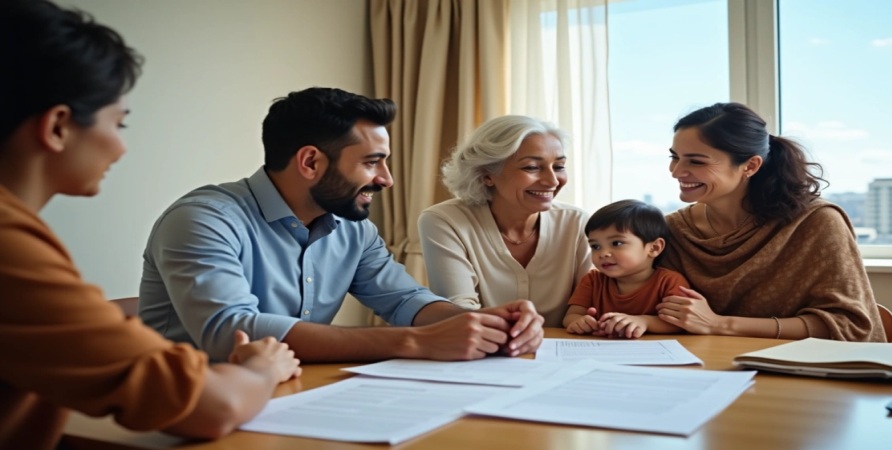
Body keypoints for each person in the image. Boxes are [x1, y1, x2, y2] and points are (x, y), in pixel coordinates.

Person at [0, 1, 302, 448]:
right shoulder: (10, 245)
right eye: (118, 123)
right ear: (59, 126)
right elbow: (211, 407)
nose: (121, 148)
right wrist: (261, 367)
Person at [139, 88, 544, 364]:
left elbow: (405, 301)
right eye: (371, 162)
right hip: (186, 406)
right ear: (311, 162)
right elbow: (230, 331)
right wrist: (414, 342)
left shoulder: (352, 227)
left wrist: (487, 323)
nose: (386, 179)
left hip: (290, 395)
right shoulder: (202, 220)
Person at [655, 102, 884, 342]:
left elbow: (848, 325)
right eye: (675, 157)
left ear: (750, 166)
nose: (676, 171)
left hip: (803, 370)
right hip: (709, 367)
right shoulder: (673, 231)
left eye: (696, 161)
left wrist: (720, 324)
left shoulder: (815, 222)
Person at [418, 115, 592, 325]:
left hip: (566, 354)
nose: (552, 181)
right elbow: (460, 311)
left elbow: (591, 303)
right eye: (532, 167)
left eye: (558, 166)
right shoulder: (444, 221)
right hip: (484, 352)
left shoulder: (577, 222)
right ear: (486, 174)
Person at [562, 200, 690, 338]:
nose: (603, 253)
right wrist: (579, 322)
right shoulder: (592, 280)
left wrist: (645, 322)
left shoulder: (670, 281)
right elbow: (571, 315)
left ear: (654, 248)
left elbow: (680, 322)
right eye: (595, 246)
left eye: (617, 243)